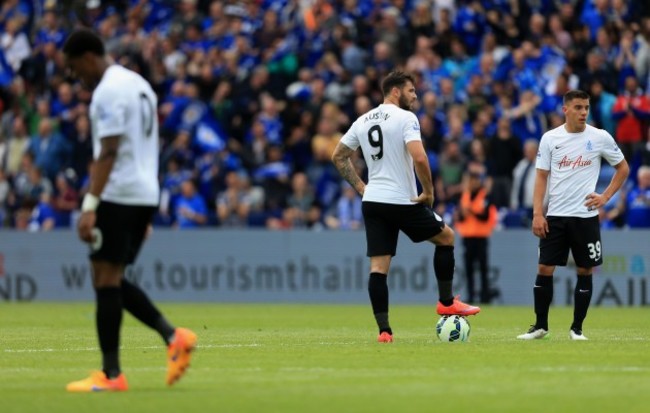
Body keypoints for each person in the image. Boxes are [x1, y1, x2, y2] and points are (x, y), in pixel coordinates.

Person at [62, 29, 197, 392]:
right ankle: (173, 337)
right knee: (111, 278)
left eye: (75, 69)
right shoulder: (138, 84)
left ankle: (111, 376)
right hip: (143, 192)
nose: (77, 78)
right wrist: (144, 207)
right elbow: (146, 144)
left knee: (104, 278)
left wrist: (90, 205)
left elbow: (108, 151)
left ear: (89, 57)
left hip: (119, 193)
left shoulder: (107, 90)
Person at [331, 71, 480, 344]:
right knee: (447, 237)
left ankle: (384, 332)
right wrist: (429, 191)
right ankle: (446, 302)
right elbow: (420, 157)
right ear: (396, 92)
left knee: (378, 268)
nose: (415, 95)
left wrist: (362, 188)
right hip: (401, 200)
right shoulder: (406, 118)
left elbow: (338, 156)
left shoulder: (363, 120)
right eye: (411, 91)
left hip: (373, 201)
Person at [517, 90, 629, 341]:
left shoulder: (599, 137)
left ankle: (577, 329)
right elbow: (541, 177)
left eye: (586, 107)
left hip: (585, 216)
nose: (583, 112)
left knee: (585, 270)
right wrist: (538, 213)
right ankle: (540, 326)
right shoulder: (550, 138)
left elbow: (623, 168)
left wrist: (605, 197)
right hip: (555, 216)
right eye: (578, 107)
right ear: (565, 109)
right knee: (545, 268)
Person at [454, 163, 498, 304]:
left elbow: (485, 216)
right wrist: (462, 214)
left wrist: (470, 211)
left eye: (475, 180)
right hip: (467, 237)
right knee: (469, 269)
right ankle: (471, 296)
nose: (472, 183)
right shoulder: (465, 196)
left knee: (483, 268)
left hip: (481, 237)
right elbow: (460, 216)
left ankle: (485, 297)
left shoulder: (485, 196)